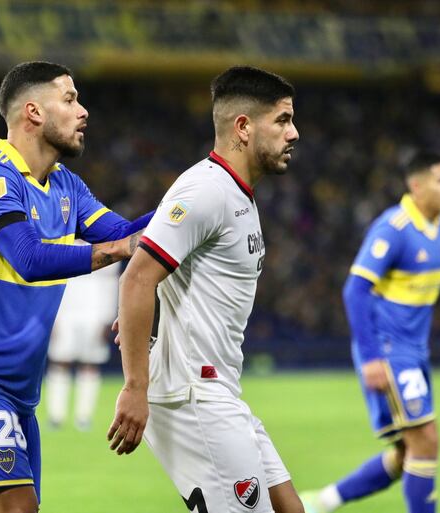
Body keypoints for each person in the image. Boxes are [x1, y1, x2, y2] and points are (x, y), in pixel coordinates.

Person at [0, 61, 152, 513]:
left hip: (18, 392)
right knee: (19, 507)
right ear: (33, 113)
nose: (83, 111)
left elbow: (125, 231)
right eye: (69, 99)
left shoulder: (67, 185)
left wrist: (192, 202)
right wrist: (120, 248)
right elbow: (29, 258)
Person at [108, 66, 304, 513]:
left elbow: (163, 277)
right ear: (242, 127)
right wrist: (135, 386)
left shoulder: (237, 194)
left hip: (221, 390)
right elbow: (137, 278)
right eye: (282, 120)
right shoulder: (205, 192)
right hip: (194, 395)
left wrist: (152, 307)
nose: (294, 133)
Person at [299, 152, 440, 513]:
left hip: (415, 350)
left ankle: (321, 502)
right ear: (416, 186)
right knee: (426, 440)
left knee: (408, 454)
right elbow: (354, 290)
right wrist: (371, 358)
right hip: (388, 350)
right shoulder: (394, 229)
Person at [46, 256, 119, 431]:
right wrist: (52, 315)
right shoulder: (62, 242)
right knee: (59, 362)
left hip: (93, 313)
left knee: (90, 364)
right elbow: (51, 280)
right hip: (65, 312)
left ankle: (84, 417)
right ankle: (56, 416)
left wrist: (107, 317)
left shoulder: (104, 244)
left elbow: (111, 283)